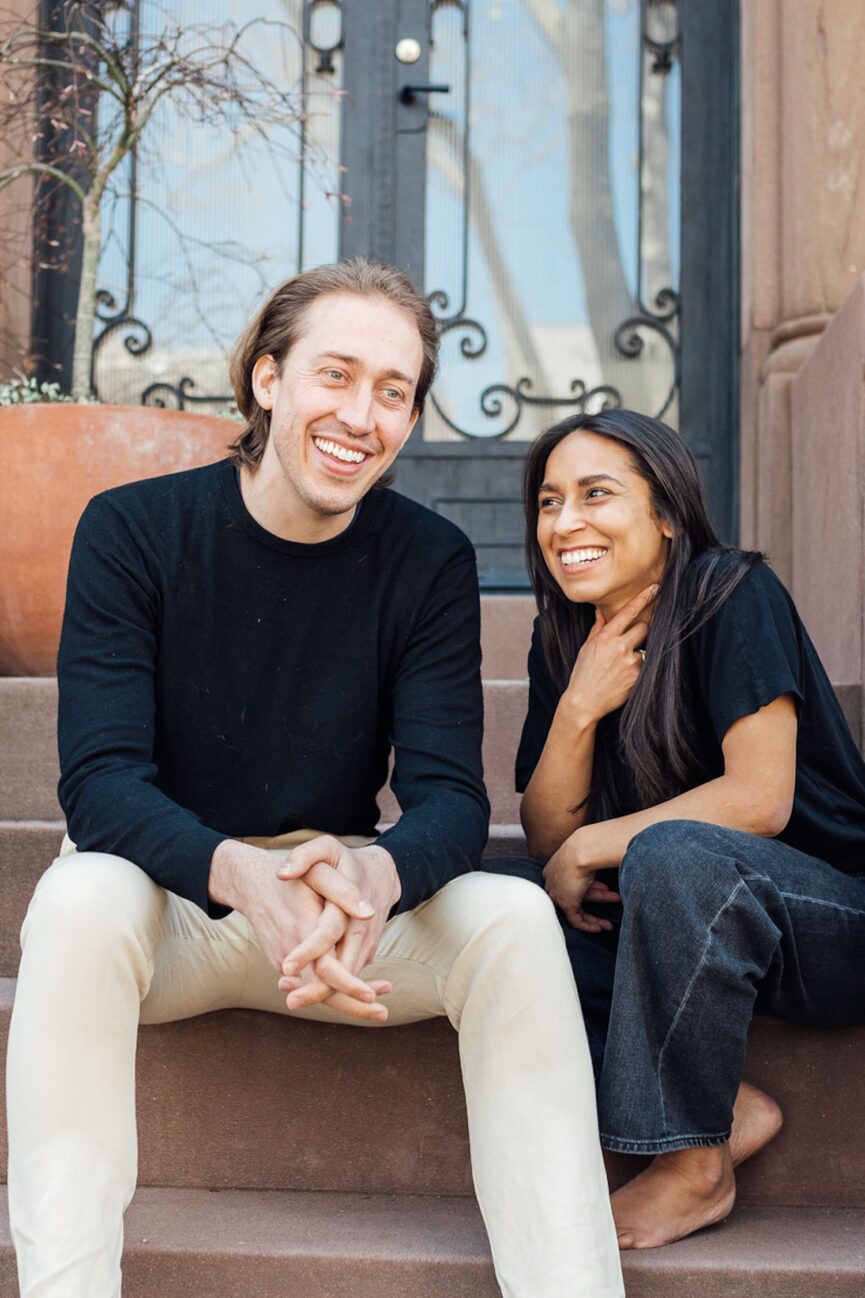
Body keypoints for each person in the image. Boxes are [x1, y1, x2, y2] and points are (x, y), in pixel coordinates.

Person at [5, 258, 623, 1298]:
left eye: (394, 390)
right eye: (335, 374)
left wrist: (377, 877)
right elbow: (101, 782)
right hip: (168, 899)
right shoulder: (132, 529)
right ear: (264, 378)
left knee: (513, 922)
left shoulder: (425, 558)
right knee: (75, 892)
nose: (361, 415)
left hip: (339, 911)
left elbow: (449, 799)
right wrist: (239, 872)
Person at [506, 407, 865, 1251]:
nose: (566, 523)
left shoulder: (728, 592)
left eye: (596, 495)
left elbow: (759, 800)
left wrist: (594, 843)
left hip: (827, 923)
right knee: (496, 900)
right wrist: (578, 707)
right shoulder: (563, 633)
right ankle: (724, 1100)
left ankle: (692, 1166)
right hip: (681, 923)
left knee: (670, 853)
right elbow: (540, 836)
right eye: (550, 502)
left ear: (666, 514)